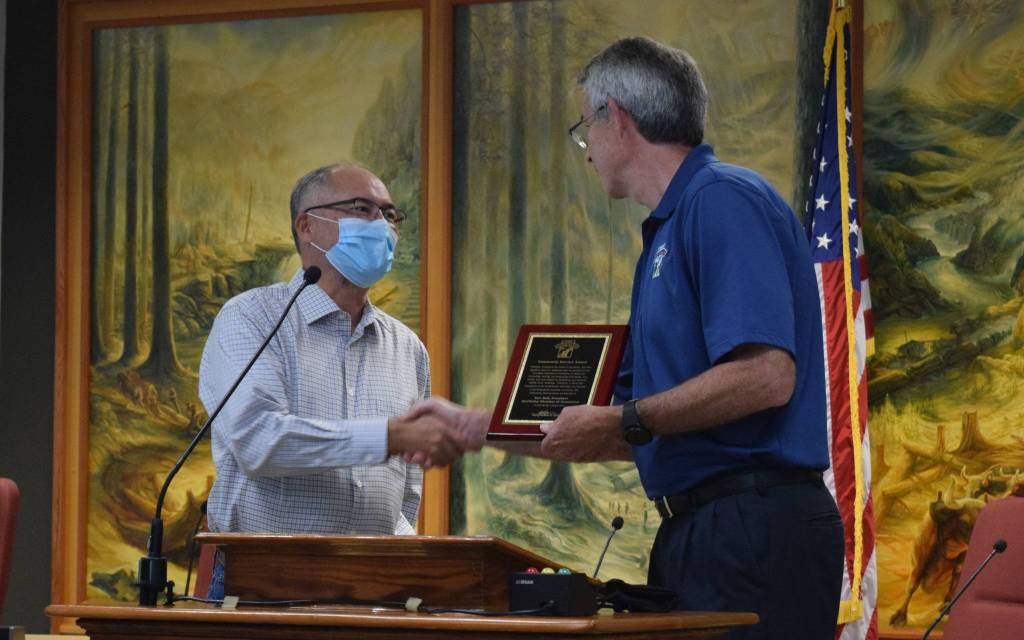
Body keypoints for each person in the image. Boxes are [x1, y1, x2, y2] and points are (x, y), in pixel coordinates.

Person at [410, 37, 844, 639]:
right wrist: (473, 427)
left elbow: (767, 375)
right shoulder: (665, 232)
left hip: (756, 527)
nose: (585, 150)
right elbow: (620, 426)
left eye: (585, 127)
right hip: (701, 530)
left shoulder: (720, 200)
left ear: (616, 116)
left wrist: (625, 423)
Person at [200, 163, 469, 598]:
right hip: (260, 585)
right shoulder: (250, 318)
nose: (381, 225)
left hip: (374, 586)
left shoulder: (408, 347)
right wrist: (388, 436)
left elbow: (407, 489)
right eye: (361, 208)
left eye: (389, 214)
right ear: (307, 226)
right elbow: (258, 440)